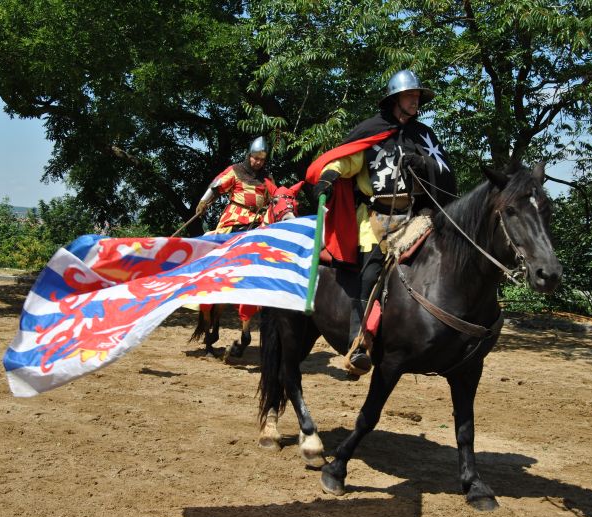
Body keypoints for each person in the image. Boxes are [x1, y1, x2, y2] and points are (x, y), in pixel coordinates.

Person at [306, 69, 457, 375]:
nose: (416, 101)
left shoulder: (423, 136)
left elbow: (444, 174)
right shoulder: (370, 131)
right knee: (371, 270)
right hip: (375, 218)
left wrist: (422, 163)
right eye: (410, 96)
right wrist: (329, 177)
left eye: (418, 96)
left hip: (416, 217)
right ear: (395, 99)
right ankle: (358, 342)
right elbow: (348, 159)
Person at [196, 136, 275, 234]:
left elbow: (274, 199)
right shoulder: (236, 170)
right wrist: (203, 201)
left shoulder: (268, 178)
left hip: (258, 219)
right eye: (256, 158)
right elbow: (216, 186)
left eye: (262, 160)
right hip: (235, 218)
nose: (259, 162)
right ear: (249, 156)